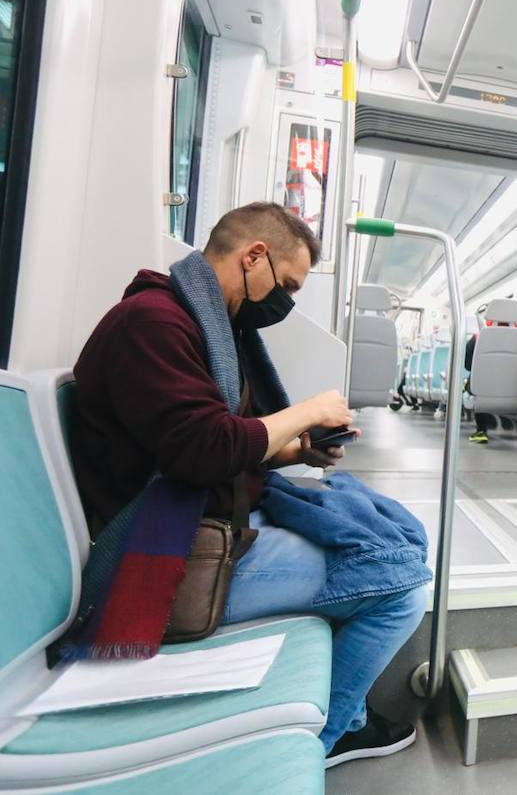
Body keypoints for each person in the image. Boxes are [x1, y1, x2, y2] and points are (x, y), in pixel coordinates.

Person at [70, 203, 427, 768]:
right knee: (404, 583)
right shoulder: (154, 324)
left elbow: (215, 447)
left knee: (401, 538)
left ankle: (346, 715)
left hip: (203, 516)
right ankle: (323, 740)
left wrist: (295, 450)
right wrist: (307, 408)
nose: (284, 302)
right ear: (253, 256)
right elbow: (202, 448)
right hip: (166, 549)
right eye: (286, 285)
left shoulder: (199, 323)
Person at [463, 331, 498, 443]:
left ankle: (481, 429)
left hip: (482, 388)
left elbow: (467, 365)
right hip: (514, 390)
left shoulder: (479, 337)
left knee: (479, 384)